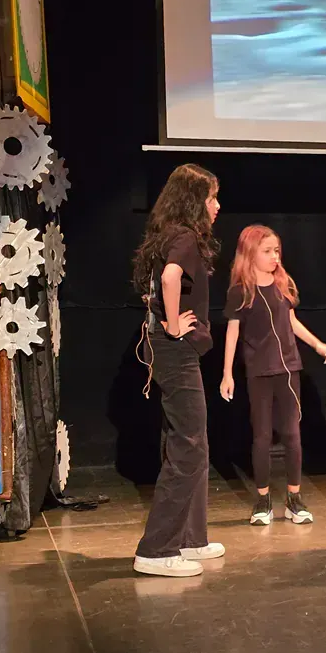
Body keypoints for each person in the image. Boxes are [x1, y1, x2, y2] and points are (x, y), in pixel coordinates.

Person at [130, 164, 225, 577]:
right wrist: (172, 324)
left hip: (166, 350)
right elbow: (170, 278)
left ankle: (190, 538)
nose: (216, 206)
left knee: (188, 442)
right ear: (194, 201)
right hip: (175, 351)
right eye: (211, 198)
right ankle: (157, 549)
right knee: (189, 446)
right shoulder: (185, 236)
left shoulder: (168, 234)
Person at [220, 225, 326, 525]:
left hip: (288, 369)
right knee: (261, 437)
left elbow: (291, 321)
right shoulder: (240, 292)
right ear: (250, 253)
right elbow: (233, 332)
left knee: (292, 434)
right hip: (259, 372)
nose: (275, 257)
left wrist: (317, 345)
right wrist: (227, 373)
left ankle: (294, 498)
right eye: (267, 251)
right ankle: (263, 500)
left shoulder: (283, 284)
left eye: (277, 251)